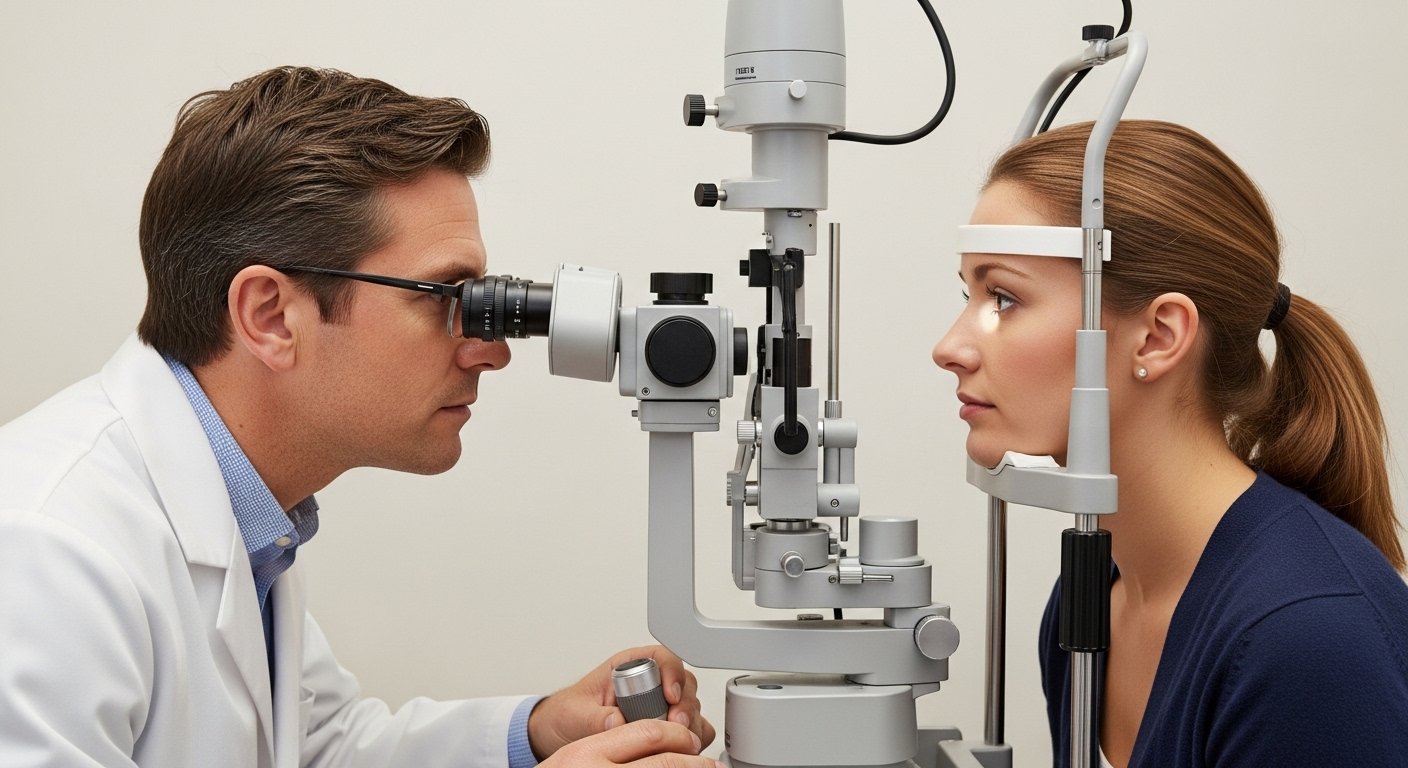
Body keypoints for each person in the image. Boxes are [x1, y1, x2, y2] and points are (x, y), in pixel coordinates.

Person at [0, 66, 715, 768]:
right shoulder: (47, 553)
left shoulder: (251, 522)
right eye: (442, 295)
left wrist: (534, 733)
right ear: (272, 316)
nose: (492, 350)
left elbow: (319, 749)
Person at [931, 120, 1408, 767]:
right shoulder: (1090, 603)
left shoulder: (1306, 641)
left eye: (1005, 298)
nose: (950, 347)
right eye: (971, 295)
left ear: (1158, 337)